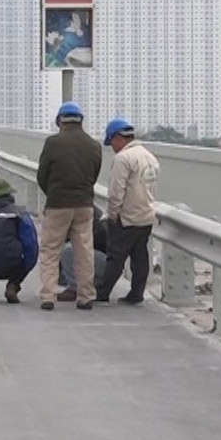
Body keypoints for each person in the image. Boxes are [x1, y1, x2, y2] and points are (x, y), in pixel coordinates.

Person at [35, 102, 103, 310]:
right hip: (84, 204)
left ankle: (48, 295)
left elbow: (42, 175)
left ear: (60, 121)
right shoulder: (94, 145)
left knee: (50, 250)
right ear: (81, 121)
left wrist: (53, 192)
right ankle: (86, 296)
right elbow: (94, 175)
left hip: (57, 204)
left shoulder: (52, 143)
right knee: (84, 251)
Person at [96, 118, 161, 304]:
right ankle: (137, 293)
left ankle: (103, 292)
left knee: (116, 256)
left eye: (112, 142)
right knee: (140, 256)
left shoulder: (123, 158)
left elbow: (116, 191)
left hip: (127, 215)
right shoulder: (150, 157)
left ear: (118, 138)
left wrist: (113, 214)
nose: (112, 147)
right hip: (146, 214)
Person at [56, 206, 108, 302]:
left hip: (104, 261)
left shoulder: (81, 214)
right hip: (107, 262)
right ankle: (93, 285)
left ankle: (75, 288)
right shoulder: (91, 210)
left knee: (68, 250)